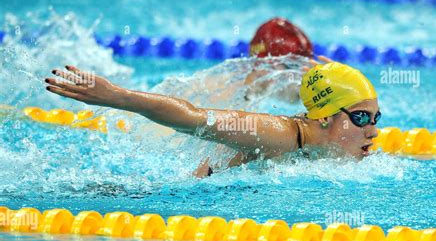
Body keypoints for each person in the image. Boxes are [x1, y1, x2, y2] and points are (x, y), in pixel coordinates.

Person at [44, 61, 381, 177]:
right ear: (323, 118)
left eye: (375, 117)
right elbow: (193, 118)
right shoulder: (278, 134)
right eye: (362, 117)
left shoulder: (322, 140)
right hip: (166, 198)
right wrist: (120, 97)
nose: (373, 130)